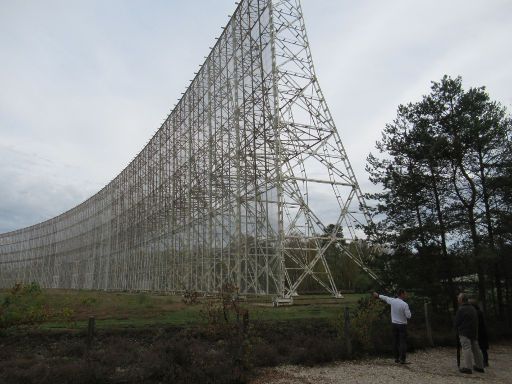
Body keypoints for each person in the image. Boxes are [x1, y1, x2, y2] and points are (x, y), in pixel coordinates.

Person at [373, 289, 411, 364]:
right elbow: (408, 316)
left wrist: (378, 295)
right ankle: (402, 359)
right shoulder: (405, 304)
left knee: (395, 341)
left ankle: (396, 358)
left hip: (394, 324)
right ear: (402, 294)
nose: (406, 295)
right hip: (402, 325)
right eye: (405, 294)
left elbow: (385, 298)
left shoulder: (393, 301)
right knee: (402, 342)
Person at [454, 293, 485, 374]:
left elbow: (457, 322)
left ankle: (468, 368)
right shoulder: (472, 308)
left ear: (461, 300)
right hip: (473, 331)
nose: (458, 299)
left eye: (458, 298)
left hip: (464, 331)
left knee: (466, 348)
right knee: (476, 349)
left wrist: (456, 328)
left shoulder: (461, 309)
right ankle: (480, 366)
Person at [469, 299, 489, 367]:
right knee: (482, 348)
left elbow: (477, 323)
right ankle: (483, 362)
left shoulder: (477, 313)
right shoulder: (478, 312)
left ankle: (485, 362)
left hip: (480, 332)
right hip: (480, 332)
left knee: (482, 348)